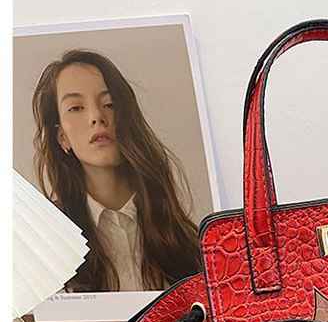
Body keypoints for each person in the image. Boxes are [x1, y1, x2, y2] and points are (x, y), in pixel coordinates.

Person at [32, 49, 201, 292]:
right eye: (76, 108)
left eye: (109, 104)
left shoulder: (179, 236)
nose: (96, 117)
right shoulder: (48, 244)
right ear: (62, 137)